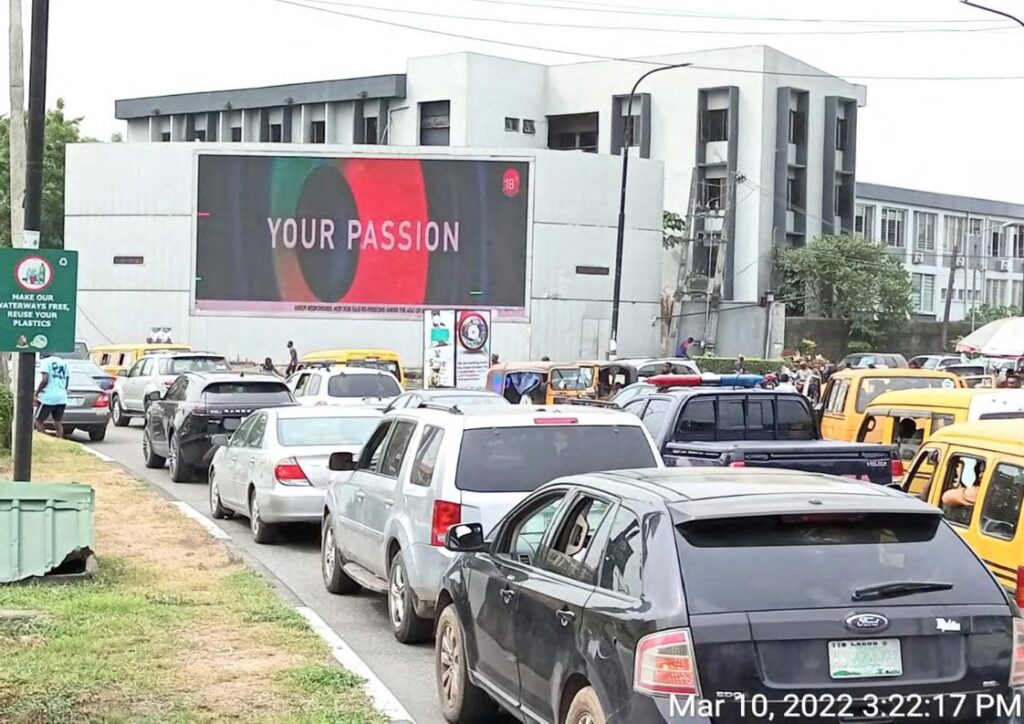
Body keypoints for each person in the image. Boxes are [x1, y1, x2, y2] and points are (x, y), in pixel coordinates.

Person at [34, 354, 70, 438]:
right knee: (57, 422)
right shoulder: (63, 363)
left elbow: (45, 379)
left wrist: (37, 393)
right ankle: (60, 440)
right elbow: (67, 381)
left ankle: (43, 438)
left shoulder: (45, 362)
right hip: (62, 397)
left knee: (38, 420)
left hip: (49, 397)